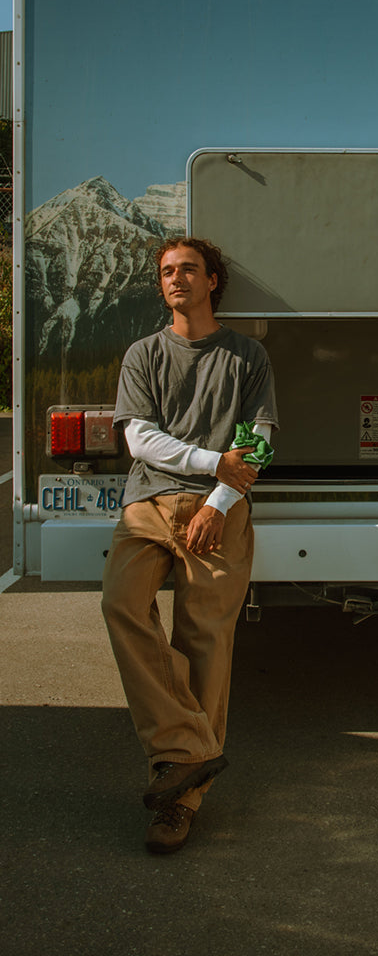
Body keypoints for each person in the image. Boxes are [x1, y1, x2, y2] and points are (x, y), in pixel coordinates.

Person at [101, 237, 278, 854]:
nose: (176, 279)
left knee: (204, 640)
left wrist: (217, 503)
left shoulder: (247, 355)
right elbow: (139, 438)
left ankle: (181, 801)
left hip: (219, 510)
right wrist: (211, 462)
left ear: (212, 281)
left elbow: (259, 441)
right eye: (167, 272)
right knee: (122, 605)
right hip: (148, 503)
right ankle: (193, 747)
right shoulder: (144, 354)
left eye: (188, 270)